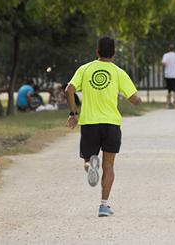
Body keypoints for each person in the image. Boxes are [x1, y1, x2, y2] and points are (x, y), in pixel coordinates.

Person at [65, 36, 142, 217]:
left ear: (97, 51)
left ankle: (89, 167)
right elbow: (135, 100)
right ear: (114, 53)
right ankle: (103, 205)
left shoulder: (85, 69)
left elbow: (69, 89)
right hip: (111, 124)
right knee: (109, 166)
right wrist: (136, 100)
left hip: (90, 123)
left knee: (88, 159)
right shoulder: (118, 72)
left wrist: (73, 114)